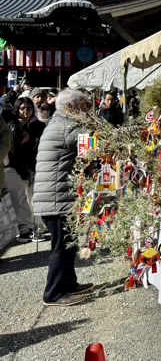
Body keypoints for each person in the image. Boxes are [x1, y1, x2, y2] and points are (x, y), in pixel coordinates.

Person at [33, 88, 93, 306]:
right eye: (83, 107)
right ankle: (53, 293)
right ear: (71, 108)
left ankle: (69, 283)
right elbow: (91, 148)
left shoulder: (60, 123)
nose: (87, 112)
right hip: (56, 199)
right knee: (62, 246)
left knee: (69, 244)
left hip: (56, 197)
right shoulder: (69, 127)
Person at [6, 97, 46, 243]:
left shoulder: (38, 125)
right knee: (22, 198)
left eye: (29, 108)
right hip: (18, 167)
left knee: (34, 197)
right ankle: (26, 228)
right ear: (17, 109)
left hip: (35, 165)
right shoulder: (12, 125)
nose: (26, 111)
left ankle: (38, 227)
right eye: (23, 108)